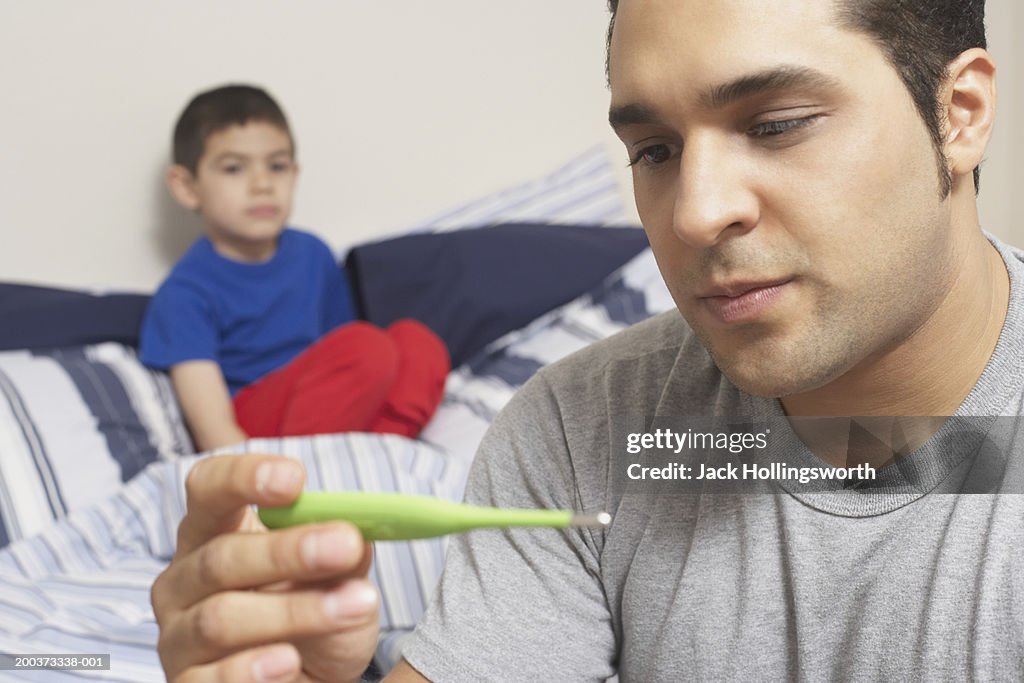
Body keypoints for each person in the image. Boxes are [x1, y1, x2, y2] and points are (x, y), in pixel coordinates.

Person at [151, 0, 1024, 680]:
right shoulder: (579, 430)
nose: (693, 212)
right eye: (653, 151)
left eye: (775, 123)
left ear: (959, 112)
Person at [139, 85, 450, 451]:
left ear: (295, 173)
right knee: (366, 347)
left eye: (277, 166)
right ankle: (305, 477)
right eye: (234, 168)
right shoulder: (183, 294)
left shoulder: (313, 254)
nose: (262, 184)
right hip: (256, 436)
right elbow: (213, 430)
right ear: (187, 186)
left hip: (333, 410)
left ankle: (381, 458)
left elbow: (348, 359)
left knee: (416, 341)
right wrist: (254, 481)